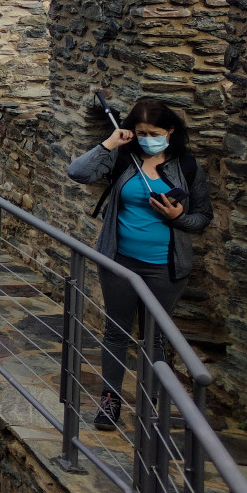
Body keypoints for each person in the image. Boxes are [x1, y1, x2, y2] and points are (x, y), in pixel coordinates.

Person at [67, 97, 212, 431]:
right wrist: (109, 142)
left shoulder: (186, 165)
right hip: (119, 262)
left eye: (154, 132)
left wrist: (178, 218)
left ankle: (149, 402)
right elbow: (78, 173)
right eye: (141, 131)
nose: (148, 138)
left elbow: (203, 216)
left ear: (170, 131)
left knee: (154, 338)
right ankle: (110, 399)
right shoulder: (123, 157)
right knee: (116, 332)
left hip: (165, 266)